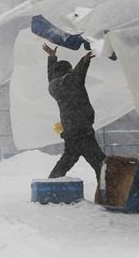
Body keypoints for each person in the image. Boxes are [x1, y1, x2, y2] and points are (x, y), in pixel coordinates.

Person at [43, 43, 106, 180]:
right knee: (100, 163)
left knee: (67, 160)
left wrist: (52, 58)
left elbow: (52, 76)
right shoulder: (70, 82)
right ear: (67, 71)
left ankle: (52, 184)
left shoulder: (53, 85)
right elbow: (77, 75)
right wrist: (84, 62)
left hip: (71, 129)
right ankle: (106, 191)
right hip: (81, 129)